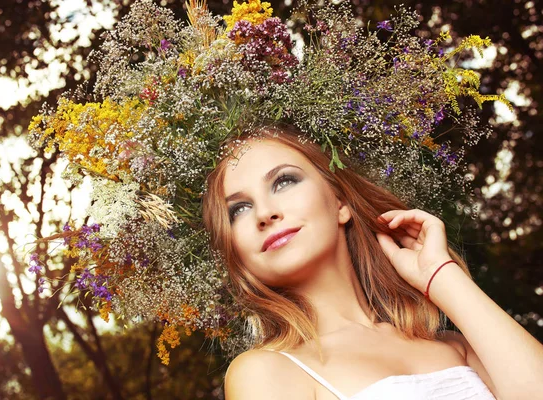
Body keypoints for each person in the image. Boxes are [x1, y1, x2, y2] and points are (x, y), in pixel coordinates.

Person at [200, 124, 543, 399]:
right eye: (238, 209)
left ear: (339, 202)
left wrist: (440, 276)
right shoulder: (266, 372)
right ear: (236, 253)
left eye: (284, 181)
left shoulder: (457, 348)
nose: (264, 213)